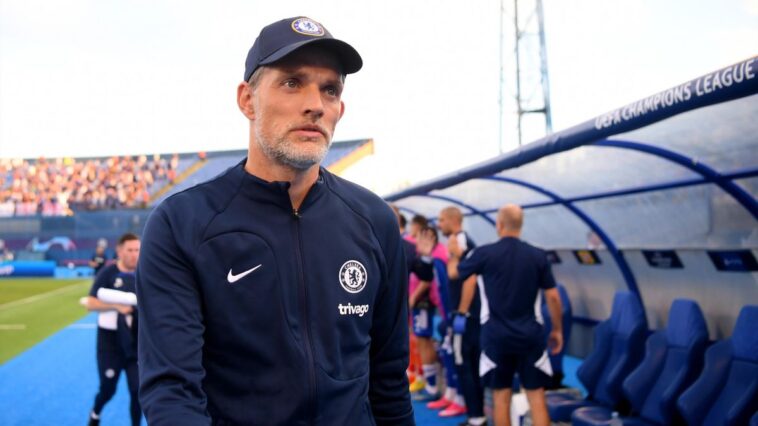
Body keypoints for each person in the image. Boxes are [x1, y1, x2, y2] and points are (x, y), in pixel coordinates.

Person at [137, 17, 413, 426]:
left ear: (339, 109)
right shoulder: (182, 223)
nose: (315, 104)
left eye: (330, 89)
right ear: (247, 100)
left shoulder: (375, 220)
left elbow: (389, 380)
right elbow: (172, 392)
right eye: (292, 82)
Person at [447, 205, 563, 426]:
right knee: (536, 396)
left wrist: (453, 254)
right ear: (520, 225)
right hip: (530, 336)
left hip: (496, 336)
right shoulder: (538, 255)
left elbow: (454, 273)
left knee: (501, 398)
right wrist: (557, 330)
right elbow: (553, 297)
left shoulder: (484, 254)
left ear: (499, 225)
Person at [84, 233, 141, 426]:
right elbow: (90, 303)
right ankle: (95, 413)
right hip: (110, 344)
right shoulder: (107, 273)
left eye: (137, 250)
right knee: (108, 389)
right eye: (130, 250)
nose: (134, 254)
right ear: (120, 251)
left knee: (137, 390)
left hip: (136, 343)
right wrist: (116, 306)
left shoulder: (144, 273)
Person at [436, 206, 485, 425]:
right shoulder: (460, 241)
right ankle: (476, 414)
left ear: (453, 220)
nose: (439, 224)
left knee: (465, 364)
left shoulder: (460, 240)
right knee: (469, 365)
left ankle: (476, 417)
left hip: (466, 317)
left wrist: (461, 313)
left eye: (442, 220)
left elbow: (467, 278)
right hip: (469, 316)